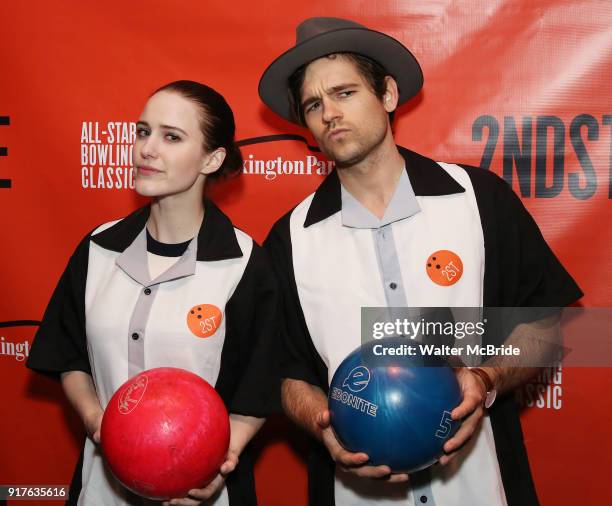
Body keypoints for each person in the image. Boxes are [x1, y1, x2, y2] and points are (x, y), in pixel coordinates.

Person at [259, 17, 582, 506]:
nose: (329, 114)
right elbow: (289, 375)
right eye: (312, 104)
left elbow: (543, 328)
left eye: (345, 93)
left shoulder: (479, 198)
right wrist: (321, 424)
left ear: (387, 94)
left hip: (482, 490)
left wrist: (484, 378)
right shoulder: (290, 239)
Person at [27, 80, 279, 506]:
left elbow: (255, 393)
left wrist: (217, 462)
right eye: (143, 131)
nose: (147, 148)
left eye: (171, 137)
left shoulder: (243, 264)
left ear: (212, 158)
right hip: (102, 491)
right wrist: (97, 422)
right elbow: (69, 358)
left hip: (203, 493)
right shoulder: (98, 249)